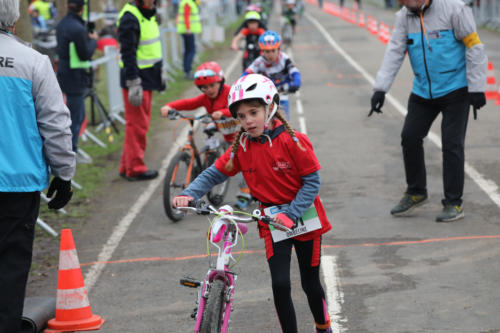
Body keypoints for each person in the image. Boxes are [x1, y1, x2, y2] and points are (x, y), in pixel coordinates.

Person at [173, 74, 333, 333]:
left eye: (253, 112)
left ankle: (323, 326)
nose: (247, 121)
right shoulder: (241, 147)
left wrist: (291, 214)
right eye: (241, 116)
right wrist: (190, 193)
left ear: (271, 108)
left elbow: (312, 183)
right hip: (271, 220)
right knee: (280, 284)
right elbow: (215, 172)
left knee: (310, 284)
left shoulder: (294, 142)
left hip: (304, 219)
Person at [369, 0, 487, 222]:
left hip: (456, 89)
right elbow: (394, 51)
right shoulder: (404, 16)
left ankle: (454, 203)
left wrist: (477, 87)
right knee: (409, 137)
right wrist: (380, 89)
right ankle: (416, 192)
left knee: (451, 144)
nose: (401, 3)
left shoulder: (455, 9)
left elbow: (474, 46)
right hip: (423, 91)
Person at [0, 1, 76, 331]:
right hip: (16, 185)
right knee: (11, 266)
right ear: (14, 20)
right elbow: (55, 123)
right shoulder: (32, 61)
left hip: (18, 183)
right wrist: (64, 173)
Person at [160, 61, 253, 208]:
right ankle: (210, 159)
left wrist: (222, 112)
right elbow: (188, 103)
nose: (208, 90)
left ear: (220, 82)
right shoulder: (205, 99)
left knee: (245, 165)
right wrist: (170, 106)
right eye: (204, 87)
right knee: (208, 131)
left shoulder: (231, 92)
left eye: (212, 85)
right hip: (223, 130)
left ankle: (245, 194)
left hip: (241, 135)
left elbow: (244, 106)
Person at [117, 0, 165, 181]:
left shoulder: (147, 13)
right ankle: (135, 169)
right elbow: (127, 52)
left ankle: (126, 166)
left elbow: (151, 47)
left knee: (135, 125)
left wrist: (161, 71)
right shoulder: (131, 17)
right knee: (137, 126)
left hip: (148, 78)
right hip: (138, 80)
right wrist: (133, 82)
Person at [56, 0, 98, 163]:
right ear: (82, 8)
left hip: (65, 74)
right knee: (76, 116)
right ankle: (72, 151)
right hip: (76, 78)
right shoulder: (78, 29)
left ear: (67, 6)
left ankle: (71, 148)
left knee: (72, 115)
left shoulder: (62, 25)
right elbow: (85, 54)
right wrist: (93, 39)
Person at [244, 30, 301, 119]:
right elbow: (246, 73)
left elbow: (294, 71)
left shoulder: (284, 59)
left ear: (278, 49)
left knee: (284, 120)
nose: (270, 54)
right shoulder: (259, 62)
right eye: (266, 51)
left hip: (282, 93)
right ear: (262, 51)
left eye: (273, 50)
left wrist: (296, 82)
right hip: (267, 95)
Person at [176, 0, 202, 79]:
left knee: (188, 51)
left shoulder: (186, 2)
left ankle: (187, 71)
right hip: (187, 30)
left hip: (187, 30)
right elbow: (186, 16)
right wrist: (188, 28)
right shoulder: (187, 3)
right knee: (191, 51)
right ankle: (188, 71)